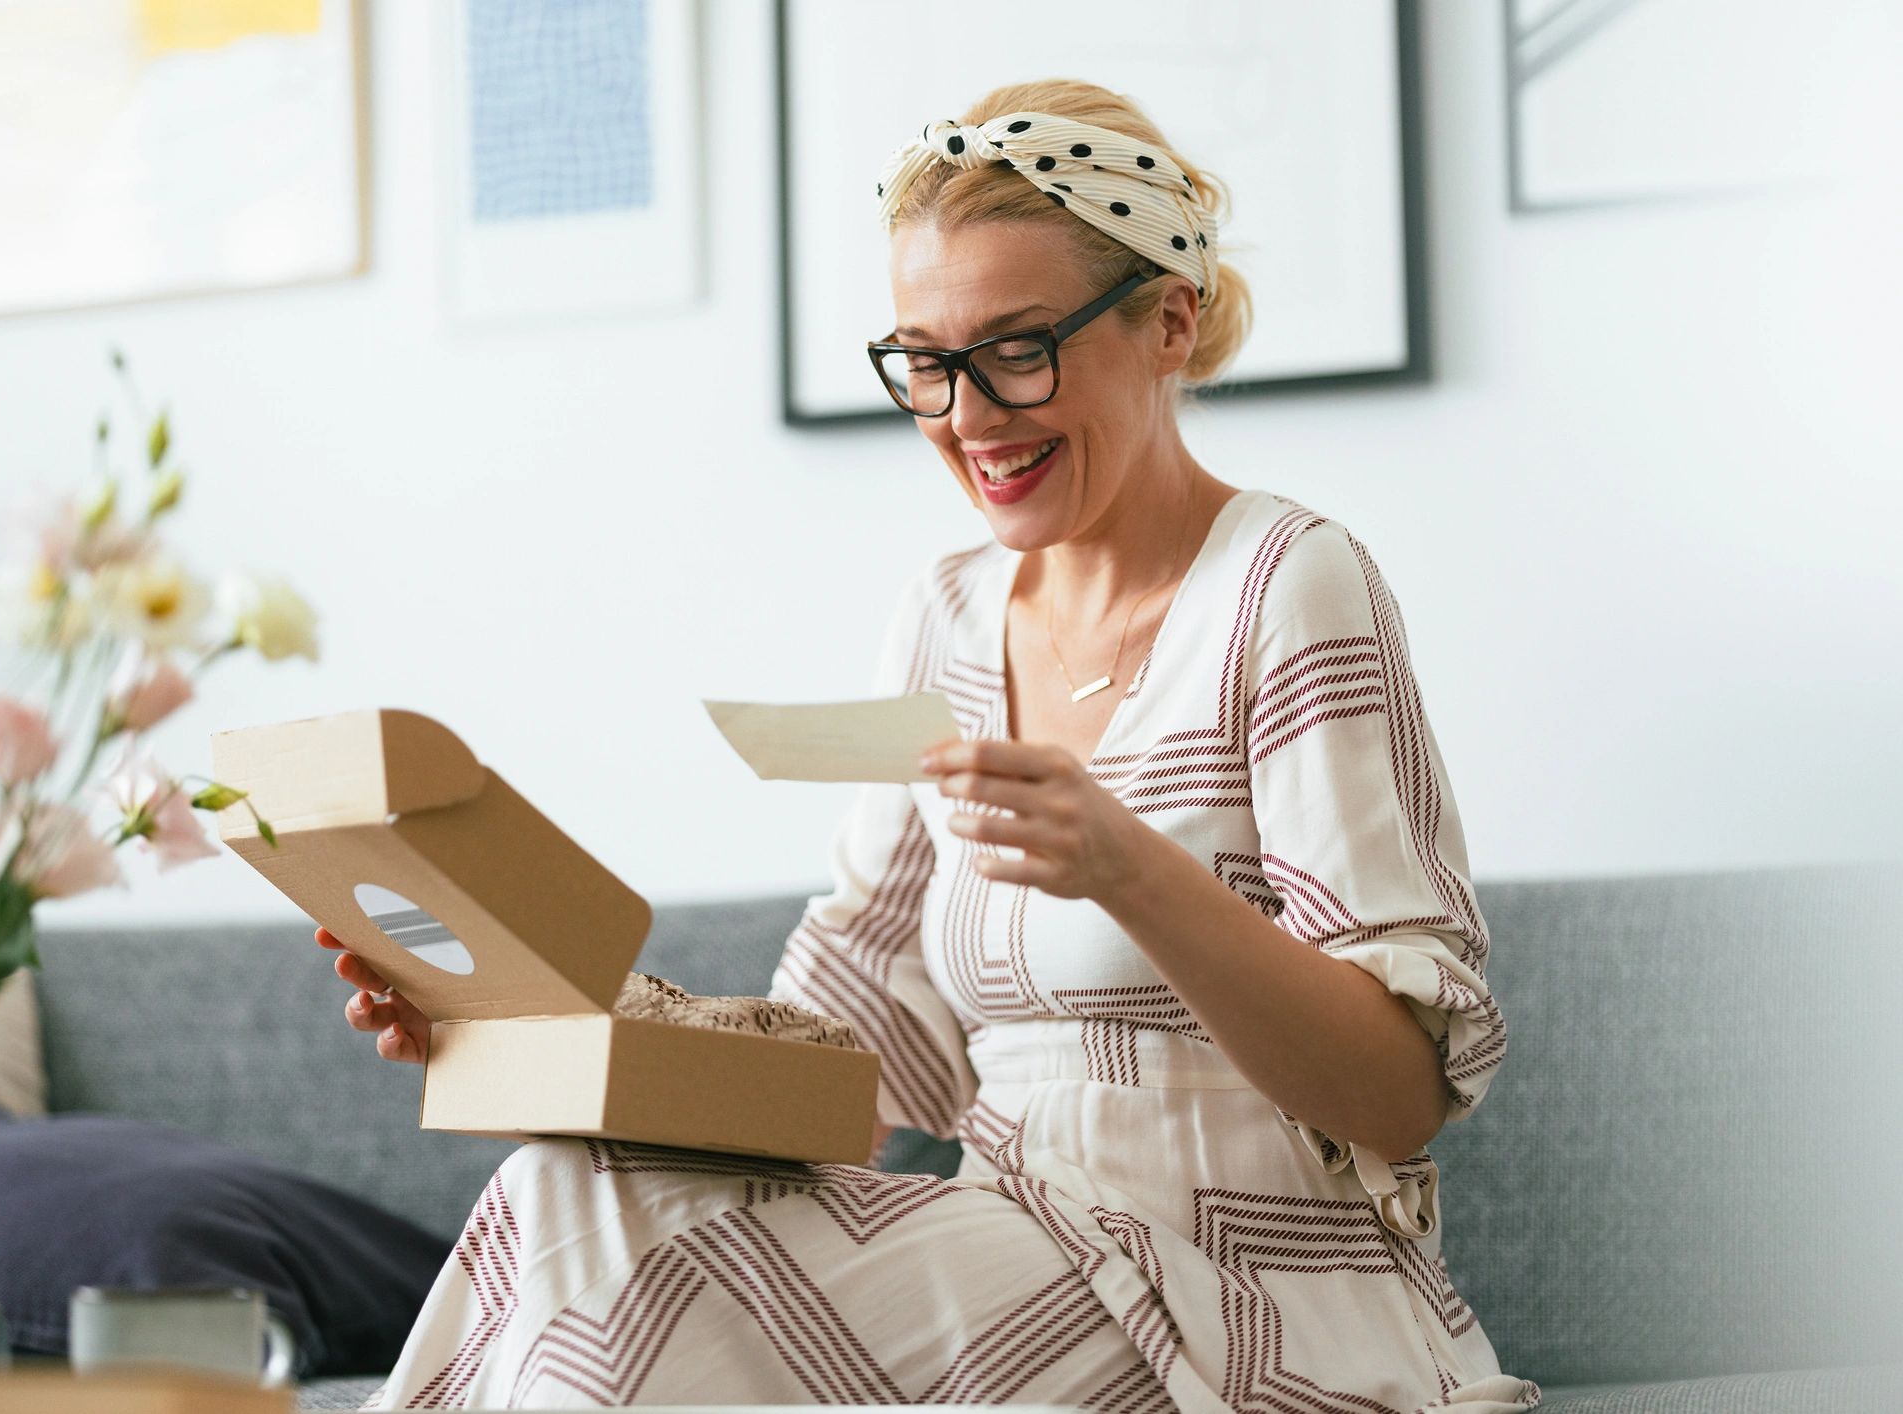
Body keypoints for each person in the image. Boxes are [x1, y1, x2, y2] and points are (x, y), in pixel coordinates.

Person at [326, 79, 1542, 1413]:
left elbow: (1401, 1092)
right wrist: (532, 1033)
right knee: (561, 1187)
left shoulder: (1288, 585)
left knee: (661, 1307)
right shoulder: (948, 617)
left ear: (1169, 322)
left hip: (1250, 1298)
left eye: (1019, 349)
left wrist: (1126, 863)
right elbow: (845, 1080)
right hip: (1016, 1246)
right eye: (925, 359)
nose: (966, 415)